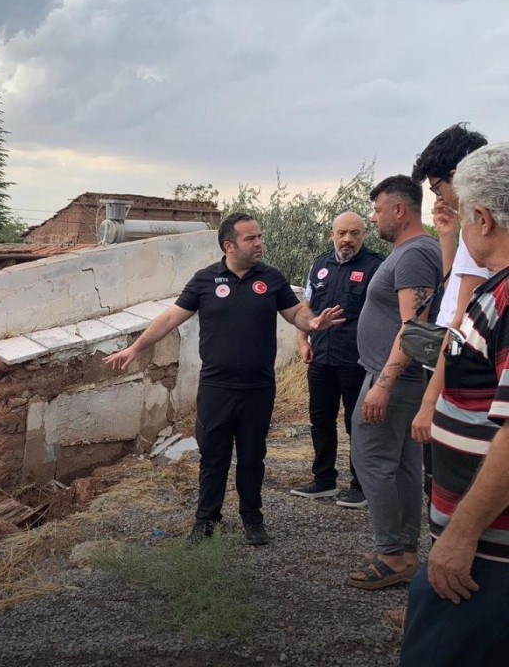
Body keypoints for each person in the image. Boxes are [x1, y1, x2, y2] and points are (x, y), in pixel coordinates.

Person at [379, 143, 509, 667]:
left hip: (486, 544)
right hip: (479, 534)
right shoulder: (490, 288)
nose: (446, 224)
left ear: (481, 216)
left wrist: (459, 536)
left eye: (453, 211)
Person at [103, 212, 343, 546]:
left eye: (259, 236)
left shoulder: (271, 278)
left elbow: (295, 313)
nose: (259, 243)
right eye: (251, 238)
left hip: (258, 388)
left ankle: (252, 518)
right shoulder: (205, 280)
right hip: (216, 387)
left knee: (251, 457)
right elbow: (171, 316)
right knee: (213, 457)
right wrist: (135, 348)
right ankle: (206, 521)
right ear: (229, 245)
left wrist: (312, 323)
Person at [346, 176, 442, 589]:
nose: (374, 218)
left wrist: (383, 384)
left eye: (377, 210)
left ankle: (390, 555)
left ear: (399, 210)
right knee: (402, 465)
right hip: (397, 377)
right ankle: (404, 554)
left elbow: (414, 328)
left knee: (372, 461)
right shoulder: (413, 252)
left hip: (395, 378)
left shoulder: (416, 254)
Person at [410, 124, 489, 473]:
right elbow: (453, 292)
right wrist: (447, 237)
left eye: (437, 187)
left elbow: (461, 321)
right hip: (451, 362)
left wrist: (428, 403)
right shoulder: (472, 225)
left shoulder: (483, 224)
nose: (437, 197)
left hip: (460, 368)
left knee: (448, 477)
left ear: (458, 175)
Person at [290, 212, 382, 508]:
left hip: (356, 360)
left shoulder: (375, 267)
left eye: (354, 233)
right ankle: (323, 480)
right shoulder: (319, 265)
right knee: (320, 420)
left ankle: (361, 485)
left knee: (357, 424)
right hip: (321, 358)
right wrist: (303, 341)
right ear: (332, 234)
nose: (347, 239)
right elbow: (306, 306)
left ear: (364, 234)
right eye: (342, 233)